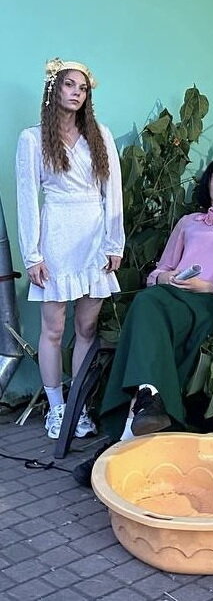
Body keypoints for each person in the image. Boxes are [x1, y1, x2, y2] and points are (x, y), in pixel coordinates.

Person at [97, 159, 213, 443]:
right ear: (207, 186)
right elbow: (160, 270)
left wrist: (209, 286)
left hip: (207, 301)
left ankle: (126, 431)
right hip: (170, 293)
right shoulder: (187, 223)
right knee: (147, 300)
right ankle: (148, 397)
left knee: (147, 306)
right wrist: (166, 278)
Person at [15, 58, 124, 440]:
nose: (77, 93)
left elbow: (113, 192)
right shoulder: (32, 139)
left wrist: (115, 243)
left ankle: (77, 406)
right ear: (54, 88)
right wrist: (33, 254)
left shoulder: (100, 134)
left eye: (83, 88)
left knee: (87, 327)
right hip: (57, 237)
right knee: (54, 328)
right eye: (69, 85)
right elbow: (27, 200)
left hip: (94, 237)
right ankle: (57, 408)